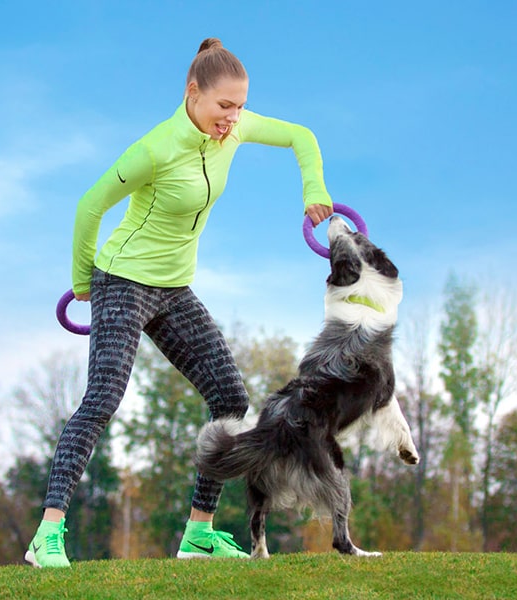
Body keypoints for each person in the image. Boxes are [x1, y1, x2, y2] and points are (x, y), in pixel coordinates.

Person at [24, 37, 333, 568]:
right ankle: (47, 536)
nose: (233, 118)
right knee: (102, 398)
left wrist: (313, 190)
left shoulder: (232, 132)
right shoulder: (156, 148)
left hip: (173, 289)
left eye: (239, 107)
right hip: (121, 281)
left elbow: (301, 137)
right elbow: (89, 205)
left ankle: (198, 534)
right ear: (194, 93)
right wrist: (82, 282)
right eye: (224, 106)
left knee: (231, 399)